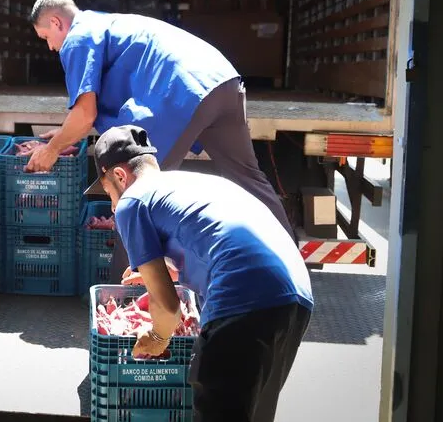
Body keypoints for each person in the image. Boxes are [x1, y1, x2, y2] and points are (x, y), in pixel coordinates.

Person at [25, 0, 294, 284]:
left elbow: (85, 113)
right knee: (250, 180)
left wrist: (52, 150)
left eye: (46, 38)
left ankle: (123, 295)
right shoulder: (106, 25)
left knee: (136, 194)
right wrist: (63, 135)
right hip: (222, 81)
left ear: (56, 22)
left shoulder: (78, 37)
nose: (51, 47)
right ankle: (292, 267)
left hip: (181, 94)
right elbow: (85, 114)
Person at [92, 125, 314, 422]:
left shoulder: (132, 202)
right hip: (294, 297)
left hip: (243, 300)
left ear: (119, 176)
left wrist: (158, 335)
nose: (112, 203)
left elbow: (169, 310)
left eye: (107, 191)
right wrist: (167, 274)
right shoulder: (192, 184)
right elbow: (213, 239)